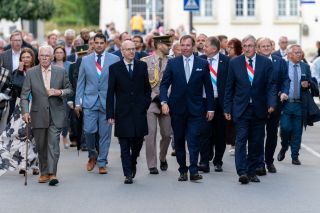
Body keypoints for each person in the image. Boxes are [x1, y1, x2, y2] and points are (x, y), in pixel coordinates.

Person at [160, 35, 214, 182]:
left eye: (187, 45)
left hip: (196, 109)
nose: (184, 48)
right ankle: (182, 169)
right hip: (177, 109)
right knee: (179, 140)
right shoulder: (173, 63)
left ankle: (194, 170)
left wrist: (211, 108)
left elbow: (208, 88)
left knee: (194, 139)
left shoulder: (202, 64)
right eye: (182, 45)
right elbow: (164, 84)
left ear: (193, 46)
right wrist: (164, 101)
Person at [224, 35, 277, 184]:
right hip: (241, 109)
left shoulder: (265, 63)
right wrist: (227, 107)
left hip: (259, 109)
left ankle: (252, 171)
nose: (247, 48)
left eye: (250, 46)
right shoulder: (235, 63)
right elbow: (229, 87)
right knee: (241, 140)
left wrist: (272, 103)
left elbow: (271, 85)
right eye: (245, 46)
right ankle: (242, 172)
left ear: (255, 47)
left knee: (256, 142)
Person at [20, 45, 73, 186]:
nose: (44, 58)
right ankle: (44, 172)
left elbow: (70, 90)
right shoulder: (31, 73)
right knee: (41, 145)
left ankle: (52, 173)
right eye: (42, 56)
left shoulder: (61, 71)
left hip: (56, 114)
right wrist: (25, 111)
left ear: (52, 57)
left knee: (53, 144)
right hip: (37, 114)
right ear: (38, 57)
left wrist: (59, 92)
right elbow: (24, 96)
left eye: (47, 56)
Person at [106, 40, 151, 184]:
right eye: (128, 49)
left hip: (139, 111)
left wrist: (144, 104)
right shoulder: (114, 68)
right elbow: (110, 92)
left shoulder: (142, 66)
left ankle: (133, 162)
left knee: (137, 143)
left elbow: (147, 89)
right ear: (122, 51)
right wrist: (110, 114)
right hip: (122, 112)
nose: (132, 51)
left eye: (134, 49)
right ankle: (128, 174)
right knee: (124, 144)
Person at [75, 34, 119, 174]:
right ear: (92, 44)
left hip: (108, 102)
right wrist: (78, 102)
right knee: (88, 131)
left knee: (105, 134)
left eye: (102, 43)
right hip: (89, 102)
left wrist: (118, 105)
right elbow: (81, 83)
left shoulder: (115, 59)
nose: (99, 45)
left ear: (106, 44)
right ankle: (92, 155)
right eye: (97, 43)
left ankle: (102, 161)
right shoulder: (85, 60)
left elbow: (119, 85)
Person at [0, 48, 39, 176]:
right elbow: (15, 86)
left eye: (28, 57)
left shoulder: (38, 71)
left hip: (36, 105)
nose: (26, 59)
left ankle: (35, 164)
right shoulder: (17, 72)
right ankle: (23, 163)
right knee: (19, 134)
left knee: (33, 135)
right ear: (21, 59)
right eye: (24, 57)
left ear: (32, 58)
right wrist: (19, 71)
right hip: (20, 105)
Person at [277, 44, 315, 165]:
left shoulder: (305, 67)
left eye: (300, 52)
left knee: (297, 131)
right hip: (286, 104)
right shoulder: (283, 66)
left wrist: (308, 84)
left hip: (300, 104)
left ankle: (295, 156)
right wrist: (280, 93)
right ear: (289, 55)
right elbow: (277, 83)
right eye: (296, 53)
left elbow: (312, 82)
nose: (300, 55)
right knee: (285, 128)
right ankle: (284, 146)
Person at [256, 37, 289, 175]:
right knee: (258, 134)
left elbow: (285, 79)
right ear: (258, 48)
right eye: (263, 46)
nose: (266, 48)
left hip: (275, 103)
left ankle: (269, 161)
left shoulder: (279, 61)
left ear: (272, 46)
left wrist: (284, 92)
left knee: (272, 134)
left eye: (268, 45)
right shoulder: (254, 61)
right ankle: (258, 162)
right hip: (258, 103)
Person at [141, 35, 172, 174]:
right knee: (150, 134)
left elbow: (174, 83)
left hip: (166, 102)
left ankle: (162, 157)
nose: (170, 46)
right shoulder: (145, 62)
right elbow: (142, 84)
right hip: (151, 102)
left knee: (166, 134)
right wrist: (154, 96)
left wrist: (165, 98)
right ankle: (152, 164)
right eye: (167, 44)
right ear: (159, 45)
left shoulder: (172, 62)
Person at [198, 36, 230, 173]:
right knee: (204, 132)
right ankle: (204, 161)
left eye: (206, 46)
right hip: (205, 101)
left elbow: (230, 84)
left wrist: (229, 105)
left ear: (214, 48)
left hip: (220, 102)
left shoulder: (227, 62)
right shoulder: (201, 61)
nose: (203, 48)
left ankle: (218, 161)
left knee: (220, 133)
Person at [225, 38, 242, 156]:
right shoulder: (226, 60)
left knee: (235, 120)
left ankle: (235, 143)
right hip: (229, 92)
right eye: (228, 47)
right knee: (230, 120)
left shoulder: (238, 60)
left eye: (231, 47)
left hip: (237, 93)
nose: (229, 50)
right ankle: (233, 142)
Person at [52, 45, 72, 149]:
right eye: (57, 52)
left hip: (66, 94)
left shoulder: (69, 65)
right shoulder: (51, 65)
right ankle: (55, 138)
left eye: (61, 52)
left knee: (65, 117)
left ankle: (64, 136)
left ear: (64, 54)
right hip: (53, 94)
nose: (59, 54)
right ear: (54, 54)